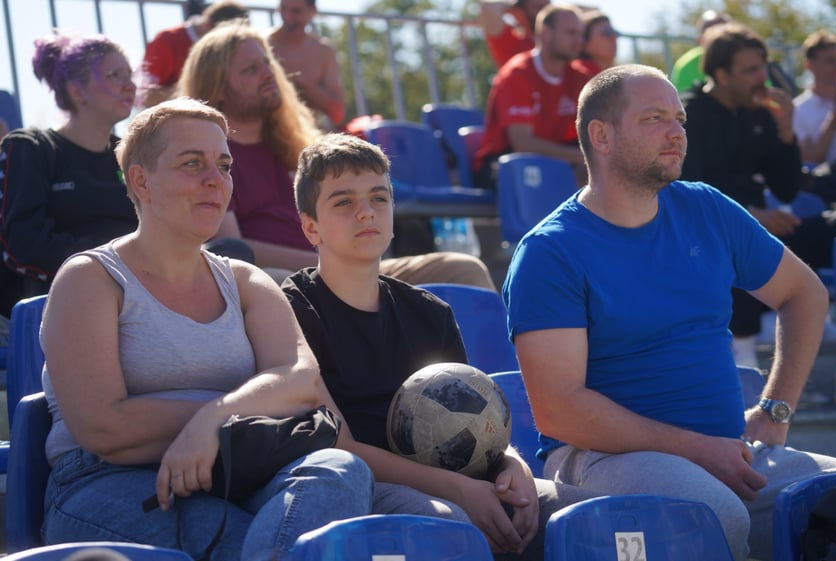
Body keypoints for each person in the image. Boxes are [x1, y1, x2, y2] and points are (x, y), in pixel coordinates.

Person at [503, 63, 836, 561]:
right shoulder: (550, 251)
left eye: (679, 119)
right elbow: (560, 409)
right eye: (654, 118)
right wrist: (699, 449)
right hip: (600, 459)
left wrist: (776, 410)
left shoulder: (706, 208)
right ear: (601, 135)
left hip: (727, 451)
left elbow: (804, 293)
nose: (677, 132)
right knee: (710, 512)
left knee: (831, 496)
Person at [40, 97, 374, 560]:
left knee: (340, 469)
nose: (216, 180)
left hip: (238, 470)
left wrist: (214, 420)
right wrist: (226, 418)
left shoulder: (245, 280)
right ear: (140, 181)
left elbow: (300, 381)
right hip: (109, 480)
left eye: (224, 165)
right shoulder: (90, 279)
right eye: (192, 163)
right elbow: (105, 429)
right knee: (252, 544)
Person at [282, 132, 597, 560]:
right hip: (373, 488)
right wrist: (458, 489)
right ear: (310, 227)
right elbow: (341, 448)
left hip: (462, 480)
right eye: (343, 202)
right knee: (450, 525)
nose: (366, 212)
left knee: (590, 518)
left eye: (379, 197)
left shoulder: (430, 312)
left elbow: (476, 419)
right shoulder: (294, 310)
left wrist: (513, 466)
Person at [177, 22, 496, 289]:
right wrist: (327, 264)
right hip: (292, 280)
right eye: (251, 69)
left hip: (351, 266)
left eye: (267, 63)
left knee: (463, 269)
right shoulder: (211, 159)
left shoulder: (298, 143)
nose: (268, 74)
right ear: (217, 88)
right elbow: (232, 250)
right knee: (273, 285)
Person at [680, 23, 836, 368]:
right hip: (711, 237)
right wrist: (753, 214)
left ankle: (816, 318)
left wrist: (785, 131)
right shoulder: (689, 115)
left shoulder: (759, 112)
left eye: (763, 68)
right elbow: (687, 194)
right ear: (722, 75)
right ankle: (743, 353)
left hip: (762, 228)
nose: (762, 79)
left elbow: (785, 188)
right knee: (734, 243)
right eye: (751, 70)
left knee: (833, 226)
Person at [0, 33, 138, 318]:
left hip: (136, 294)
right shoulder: (32, 148)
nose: (130, 85)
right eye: (115, 75)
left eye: (130, 74)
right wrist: (120, 262)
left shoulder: (133, 155)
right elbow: (25, 247)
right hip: (58, 305)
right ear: (77, 91)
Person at [473, 3, 595, 189]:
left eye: (581, 34)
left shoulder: (580, 76)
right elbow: (523, 144)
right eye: (570, 32)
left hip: (552, 159)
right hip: (504, 163)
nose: (579, 40)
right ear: (546, 33)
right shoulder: (518, 73)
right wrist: (585, 156)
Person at [138, 0, 249, 108]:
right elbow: (145, 97)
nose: (227, 49)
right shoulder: (168, 40)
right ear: (207, 25)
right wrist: (195, 91)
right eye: (225, 42)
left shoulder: (232, 47)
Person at [266, 0, 346, 129]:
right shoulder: (263, 44)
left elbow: (337, 113)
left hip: (309, 131)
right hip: (268, 131)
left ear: (313, 11)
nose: (287, 17)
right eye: (283, 9)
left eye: (296, 11)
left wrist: (304, 82)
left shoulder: (323, 51)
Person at [794, 30, 836, 168]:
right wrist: (833, 123)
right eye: (830, 61)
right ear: (809, 65)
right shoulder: (797, 110)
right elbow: (810, 160)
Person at [670, 10, 730, 93]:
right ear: (700, 40)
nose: (721, 42)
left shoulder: (745, 57)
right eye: (713, 36)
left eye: (726, 34)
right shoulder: (686, 65)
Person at [478, 0, 549, 69]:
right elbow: (488, 7)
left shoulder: (552, 43)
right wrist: (515, 3)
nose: (541, 1)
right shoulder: (512, 43)